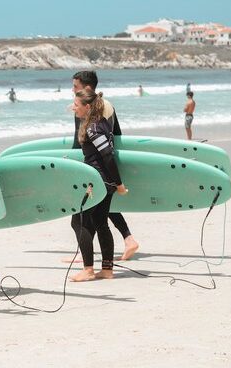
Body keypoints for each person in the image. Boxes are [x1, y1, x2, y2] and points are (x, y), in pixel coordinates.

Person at [71, 71, 140, 261]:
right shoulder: (105, 104)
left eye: (75, 86)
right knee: (100, 215)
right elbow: (117, 134)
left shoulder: (88, 107)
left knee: (87, 216)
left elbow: (82, 137)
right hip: (104, 164)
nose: (73, 90)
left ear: (86, 88)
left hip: (96, 164)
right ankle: (100, 252)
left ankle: (90, 257)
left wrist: (74, 160)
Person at [69, 89, 127, 282]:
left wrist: (118, 184)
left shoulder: (93, 127)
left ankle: (88, 269)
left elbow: (107, 155)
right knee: (101, 223)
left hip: (98, 181)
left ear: (87, 107)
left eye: (76, 105)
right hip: (104, 180)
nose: (73, 108)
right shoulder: (99, 124)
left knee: (79, 222)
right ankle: (107, 269)